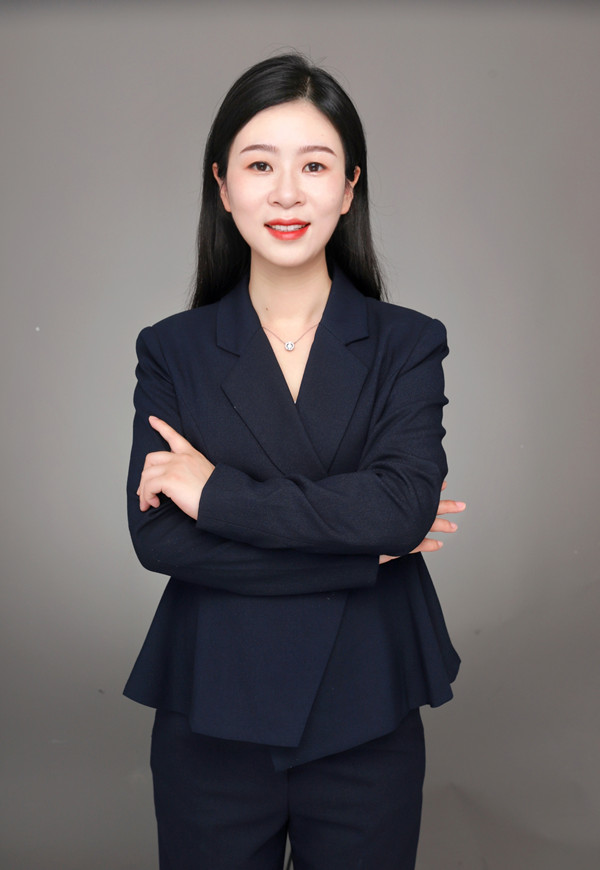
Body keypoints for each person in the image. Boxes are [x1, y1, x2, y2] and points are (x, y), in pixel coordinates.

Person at [125, 53, 464, 870]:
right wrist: (358, 556)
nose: (286, 193)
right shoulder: (172, 350)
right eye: (259, 165)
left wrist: (215, 495)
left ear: (349, 188)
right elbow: (159, 540)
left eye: (313, 166)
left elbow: (400, 509)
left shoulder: (409, 343)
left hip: (367, 704)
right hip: (213, 704)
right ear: (222, 185)